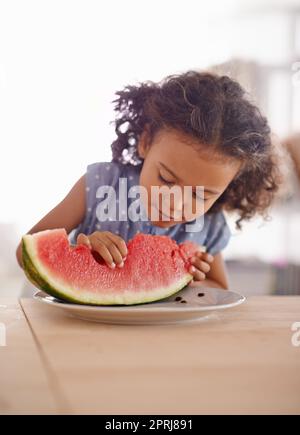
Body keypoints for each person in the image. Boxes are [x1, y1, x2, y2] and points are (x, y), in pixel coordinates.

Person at [16, 71, 281, 290]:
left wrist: (191, 279)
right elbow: (27, 251)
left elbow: (219, 288)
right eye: (166, 179)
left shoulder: (209, 224)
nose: (175, 204)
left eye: (200, 195)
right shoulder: (100, 184)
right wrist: (81, 250)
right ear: (145, 143)